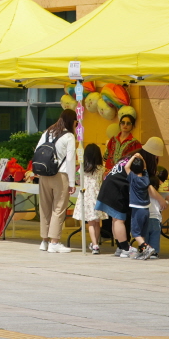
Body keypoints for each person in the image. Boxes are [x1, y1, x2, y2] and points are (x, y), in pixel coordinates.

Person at [33, 108, 78, 254]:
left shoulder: (48, 132)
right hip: (61, 175)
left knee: (45, 208)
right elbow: (71, 159)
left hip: (44, 175)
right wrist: (72, 182)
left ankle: (44, 241)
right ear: (73, 122)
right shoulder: (69, 136)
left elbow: (37, 151)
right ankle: (55, 242)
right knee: (58, 208)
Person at [73, 143, 106, 254]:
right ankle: (95, 243)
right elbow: (102, 181)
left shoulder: (82, 168)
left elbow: (77, 180)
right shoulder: (101, 168)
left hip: (86, 196)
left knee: (90, 223)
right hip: (98, 195)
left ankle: (95, 245)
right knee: (97, 222)